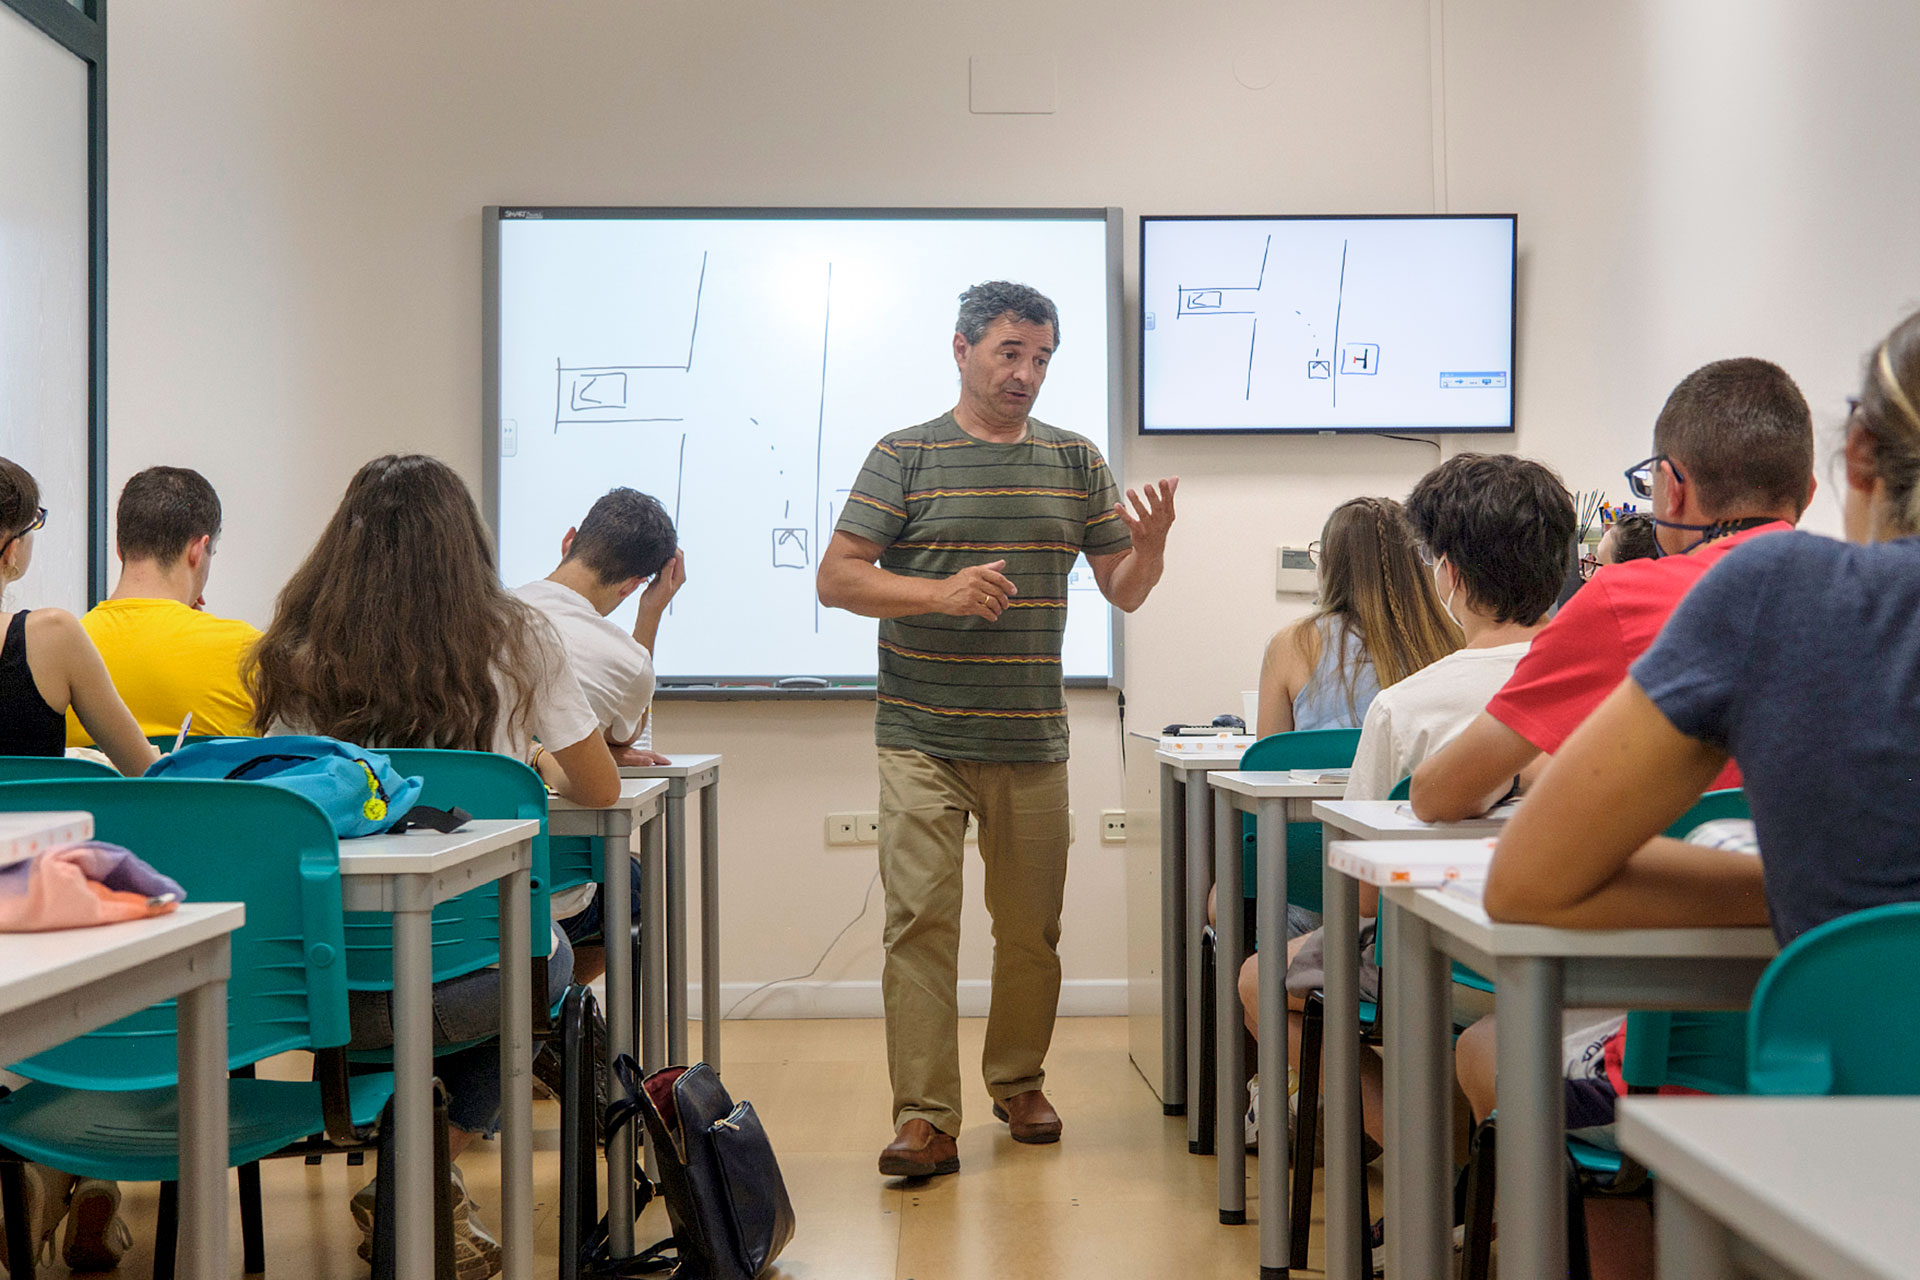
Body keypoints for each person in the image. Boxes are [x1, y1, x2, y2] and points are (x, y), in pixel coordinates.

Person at [1470, 313, 1920, 1279]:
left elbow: (1529, 881)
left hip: (1836, 1147)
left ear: (1856, 456)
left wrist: (1803, 889)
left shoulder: (1780, 593)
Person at [817, 281, 1177, 1179]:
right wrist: (937, 591)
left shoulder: (1074, 460)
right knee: (919, 926)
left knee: (1029, 932)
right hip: (920, 735)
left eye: (1042, 358)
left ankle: (1018, 1081)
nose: (1026, 374)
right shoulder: (904, 455)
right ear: (963, 349)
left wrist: (1156, 545)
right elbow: (837, 578)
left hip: (1030, 738)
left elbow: (1122, 588)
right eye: (1011, 353)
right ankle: (925, 1118)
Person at [248, 453, 620, 1277]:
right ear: (466, 546)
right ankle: (416, 1172)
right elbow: (598, 786)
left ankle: (416, 1172)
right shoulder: (520, 640)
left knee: (445, 967)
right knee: (544, 955)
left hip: (320, 991)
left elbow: (287, 800)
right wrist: (532, 767)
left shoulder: (295, 649)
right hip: (470, 983)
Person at [1241, 454, 1574, 1152]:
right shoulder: (1618, 685)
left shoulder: (1408, 706)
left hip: (1446, 969)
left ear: (1448, 572)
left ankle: (1438, 1156)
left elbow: (1363, 898)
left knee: (1260, 978)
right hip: (1586, 966)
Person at [1410, 357, 1815, 822]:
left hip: (1687, 887)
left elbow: (1438, 794)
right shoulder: (1881, 595)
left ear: (1670, 486)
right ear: (1808, 490)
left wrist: (1527, 773)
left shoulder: (1623, 599)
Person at [0, 458, 157, 1273]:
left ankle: (48, 1173)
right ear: (13, 546)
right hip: (35, 912)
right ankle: (86, 1174)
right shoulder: (51, 635)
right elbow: (143, 771)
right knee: (139, 960)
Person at [515, 486, 684, 982]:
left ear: (569, 539)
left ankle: (553, 1017)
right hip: (558, 890)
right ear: (634, 585)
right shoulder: (624, 657)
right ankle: (569, 1015)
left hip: (469, 874)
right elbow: (625, 735)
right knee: (640, 883)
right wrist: (650, 615)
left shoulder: (485, 617)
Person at [66, 466, 261, 747]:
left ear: (121, 549)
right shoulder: (248, 652)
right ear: (198, 550)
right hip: (202, 793)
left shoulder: (62, 654)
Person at [1254, 496, 1459, 737]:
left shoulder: (1291, 644)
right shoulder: (1453, 640)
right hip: (1420, 776)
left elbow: (1267, 764)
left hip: (1320, 775)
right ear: (1416, 566)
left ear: (1331, 565)